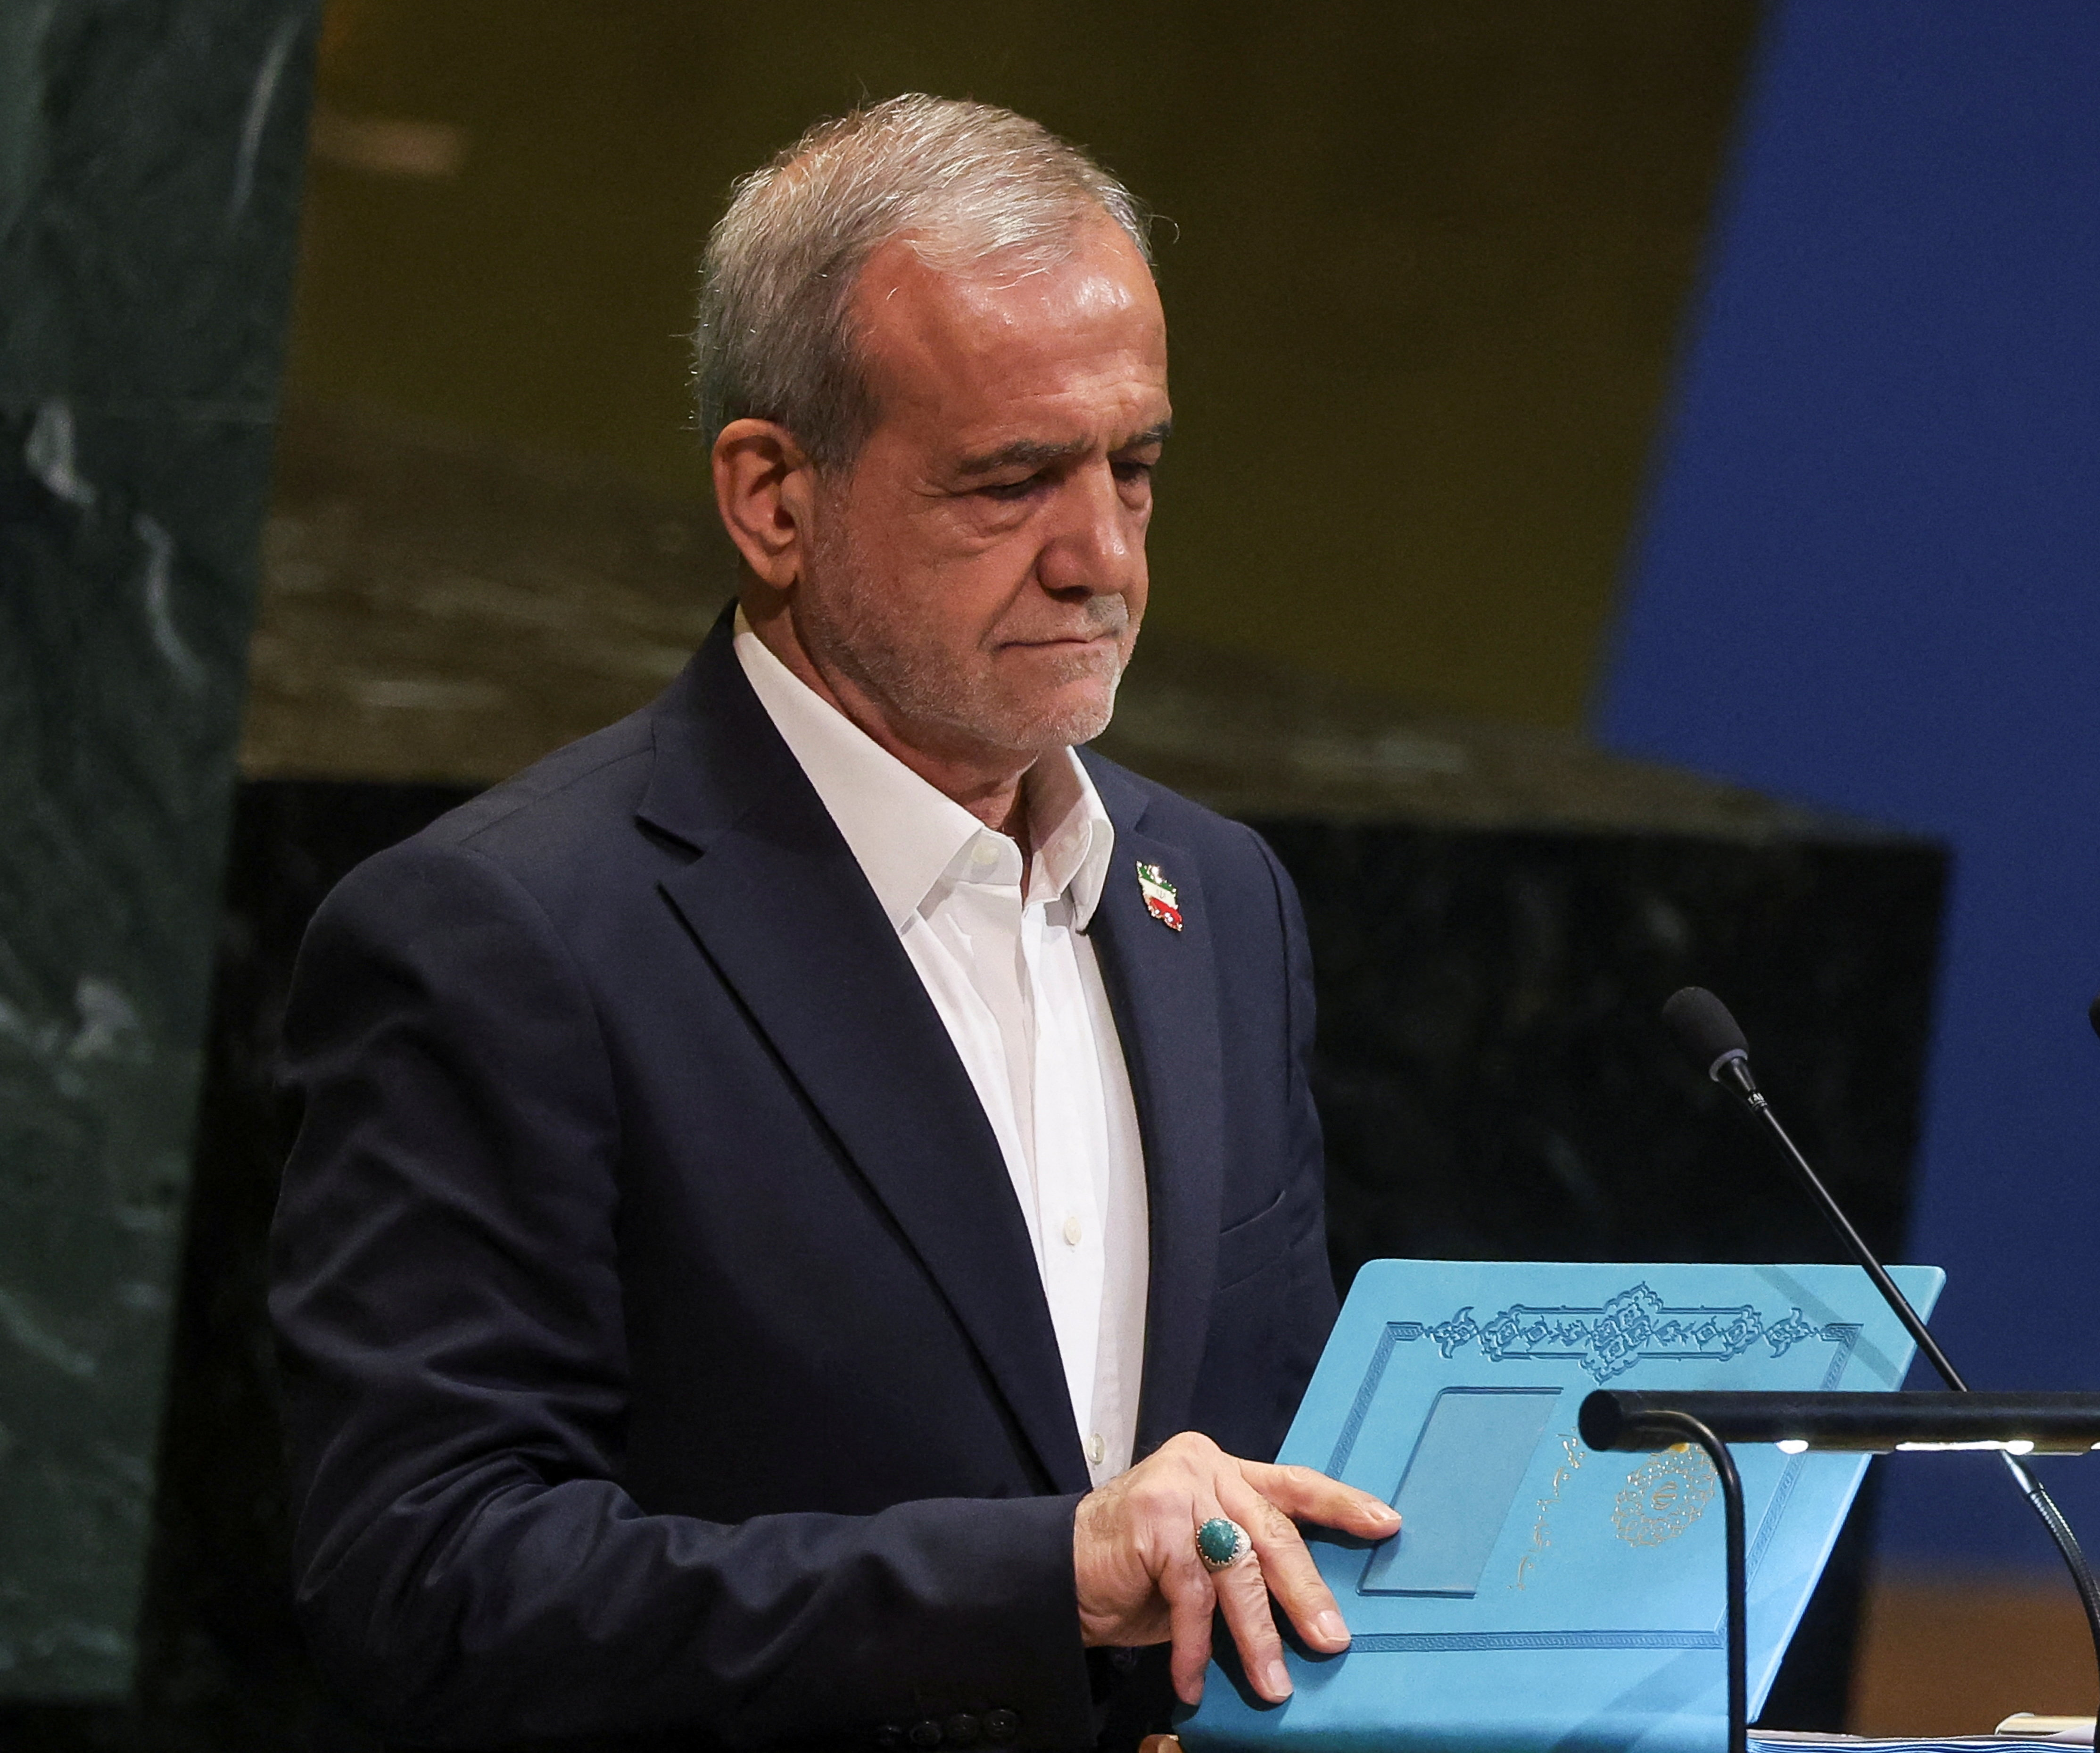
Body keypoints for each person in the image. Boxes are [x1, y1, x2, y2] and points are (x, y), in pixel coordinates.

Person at [268, 94, 1397, 1752]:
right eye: (1011, 482)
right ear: (773, 498)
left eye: (1134, 467)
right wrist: (1041, 1581)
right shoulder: (503, 936)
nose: (1100, 555)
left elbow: (1260, 1474)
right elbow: (427, 1578)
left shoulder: (1213, 900)